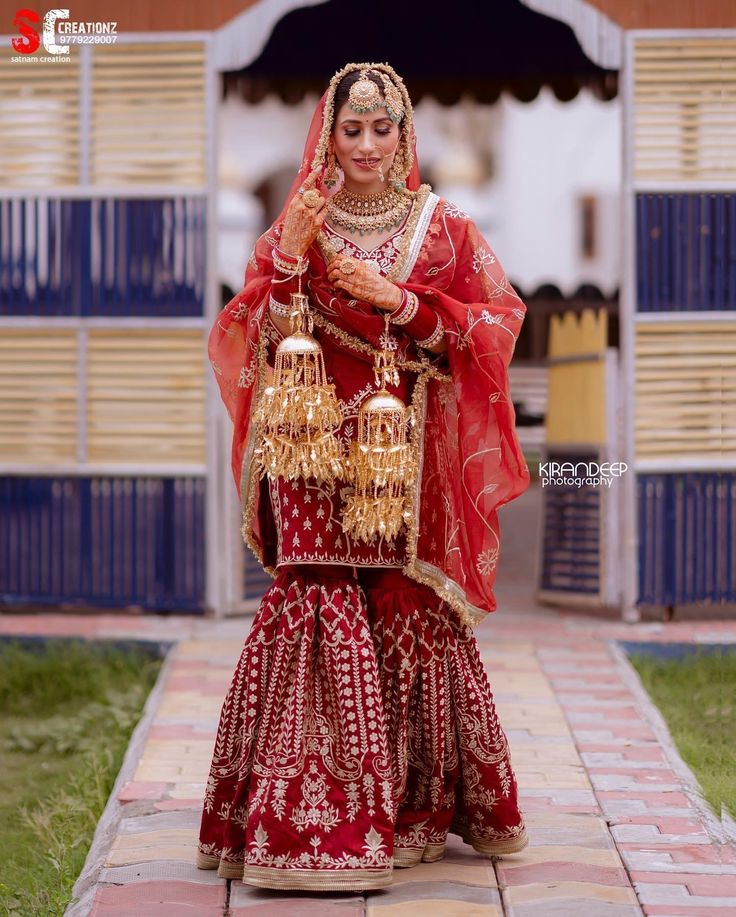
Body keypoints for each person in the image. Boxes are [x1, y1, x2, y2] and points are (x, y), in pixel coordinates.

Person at [197, 62, 531, 892]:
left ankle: (413, 809)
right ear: (329, 134)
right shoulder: (300, 219)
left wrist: (402, 300)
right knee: (317, 593)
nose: (369, 145)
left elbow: (498, 323)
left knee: (403, 598)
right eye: (353, 129)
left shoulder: (442, 228)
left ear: (404, 133)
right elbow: (257, 331)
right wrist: (293, 260)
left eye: (384, 129)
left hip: (400, 441)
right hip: (310, 443)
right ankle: (306, 823)